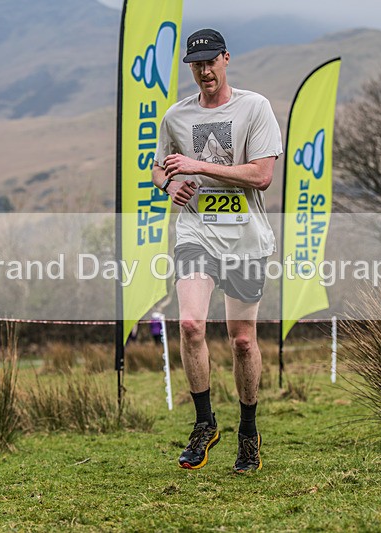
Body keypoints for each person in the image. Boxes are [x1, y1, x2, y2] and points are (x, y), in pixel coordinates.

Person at [152, 28, 282, 473]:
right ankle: (205, 423)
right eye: (196, 63)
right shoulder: (176, 116)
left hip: (245, 237)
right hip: (196, 234)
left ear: (226, 59)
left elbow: (262, 176)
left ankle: (248, 432)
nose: (204, 70)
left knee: (242, 341)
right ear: (189, 66)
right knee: (190, 324)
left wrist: (200, 166)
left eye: (211, 61)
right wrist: (172, 183)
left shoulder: (254, 107)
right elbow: (158, 167)